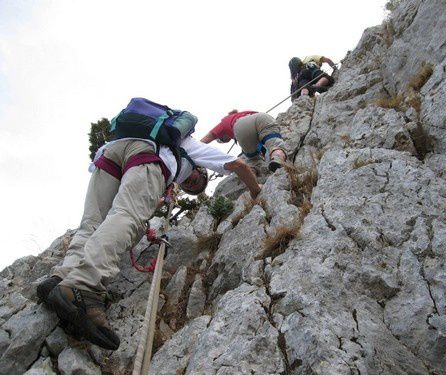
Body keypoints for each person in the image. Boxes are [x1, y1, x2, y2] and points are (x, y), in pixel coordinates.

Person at [37, 135, 261, 350]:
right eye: (197, 180)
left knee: (92, 224)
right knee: (127, 216)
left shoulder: (161, 142)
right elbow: (238, 165)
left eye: (193, 187)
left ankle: (62, 278)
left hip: (111, 152)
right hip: (144, 156)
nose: (193, 184)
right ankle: (83, 286)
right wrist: (257, 192)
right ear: (199, 167)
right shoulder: (189, 146)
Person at [200, 110, 287, 174]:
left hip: (240, 127)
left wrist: (191, 151)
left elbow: (208, 137)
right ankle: (277, 157)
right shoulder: (241, 113)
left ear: (222, 135)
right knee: (273, 142)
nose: (226, 141)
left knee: (253, 159)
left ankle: (252, 174)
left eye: (222, 139)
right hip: (261, 117)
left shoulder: (223, 123)